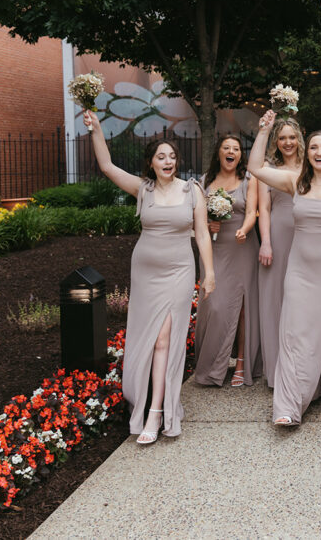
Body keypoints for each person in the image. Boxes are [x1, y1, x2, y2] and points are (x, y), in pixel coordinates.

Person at [83, 110, 213, 445]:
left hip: (180, 272)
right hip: (145, 272)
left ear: (176, 161)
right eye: (161, 156)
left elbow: (201, 235)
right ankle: (146, 401)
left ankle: (156, 413)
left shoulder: (192, 190)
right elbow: (108, 167)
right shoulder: (143, 189)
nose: (167, 161)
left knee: (164, 340)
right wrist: (96, 129)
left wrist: (209, 273)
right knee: (147, 339)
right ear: (151, 162)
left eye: (172, 156)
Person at [248, 113, 321, 426]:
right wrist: (263, 132)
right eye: (314, 146)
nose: (319, 152)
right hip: (300, 270)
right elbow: (255, 168)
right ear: (308, 150)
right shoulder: (294, 182)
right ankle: (288, 406)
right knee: (294, 332)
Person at [194, 134, 260, 387]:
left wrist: (244, 228)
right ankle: (211, 366)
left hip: (243, 248)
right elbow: (195, 219)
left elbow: (252, 211)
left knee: (242, 307)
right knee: (215, 305)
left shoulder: (248, 180)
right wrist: (207, 222)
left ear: (240, 155)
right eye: (226, 148)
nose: (231, 151)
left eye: (236, 148)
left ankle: (242, 363)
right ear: (219, 153)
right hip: (214, 249)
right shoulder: (205, 182)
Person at [256, 117, 303, 389]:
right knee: (275, 302)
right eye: (282, 138)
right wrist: (266, 242)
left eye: (291, 137)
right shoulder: (267, 170)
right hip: (277, 238)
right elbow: (265, 208)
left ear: (299, 139)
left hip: (304, 238)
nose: (287, 142)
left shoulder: (310, 166)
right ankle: (275, 372)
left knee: (300, 303)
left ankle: (300, 369)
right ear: (276, 141)